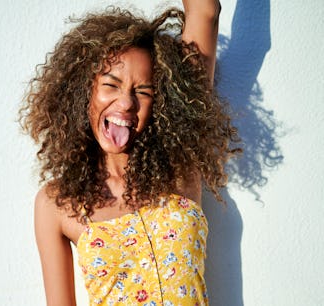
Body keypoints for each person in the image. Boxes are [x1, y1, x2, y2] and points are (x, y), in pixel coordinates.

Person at [20, 0, 240, 305]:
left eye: (143, 92)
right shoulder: (58, 203)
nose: (126, 103)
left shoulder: (179, 165)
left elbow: (205, 11)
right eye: (111, 84)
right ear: (84, 90)